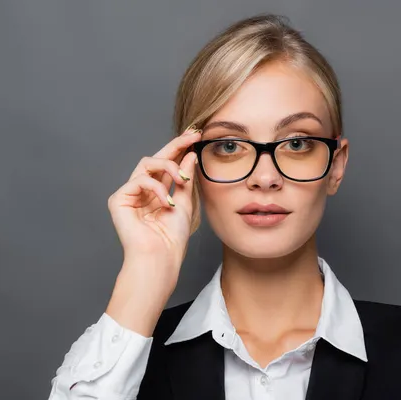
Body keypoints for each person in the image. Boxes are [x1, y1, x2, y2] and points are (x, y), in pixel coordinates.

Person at [47, 13, 401, 400]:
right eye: (229, 145)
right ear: (190, 165)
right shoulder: (134, 355)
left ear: (335, 165)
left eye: (296, 143)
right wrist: (145, 273)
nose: (265, 177)